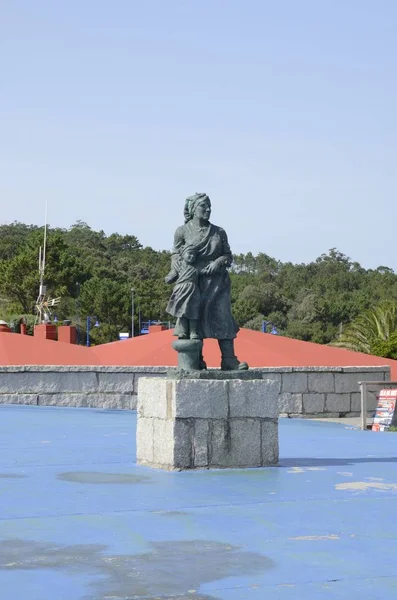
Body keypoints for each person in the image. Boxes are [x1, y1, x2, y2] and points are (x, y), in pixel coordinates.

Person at [169, 192, 248, 370]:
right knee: (194, 322)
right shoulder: (182, 231)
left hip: (218, 284)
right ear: (193, 209)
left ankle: (229, 359)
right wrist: (176, 270)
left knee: (224, 318)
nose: (208, 209)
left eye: (209, 206)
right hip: (194, 283)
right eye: (203, 206)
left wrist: (218, 262)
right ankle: (196, 360)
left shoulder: (219, 232)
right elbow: (175, 254)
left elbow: (228, 256)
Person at [165, 244, 200, 340]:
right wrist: (169, 278)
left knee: (193, 312)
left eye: (194, 255)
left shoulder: (197, 267)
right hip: (180, 291)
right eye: (190, 254)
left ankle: (193, 332)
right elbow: (171, 275)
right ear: (183, 254)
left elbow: (205, 271)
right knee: (182, 312)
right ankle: (183, 331)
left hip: (193, 291)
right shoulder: (178, 266)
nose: (192, 256)